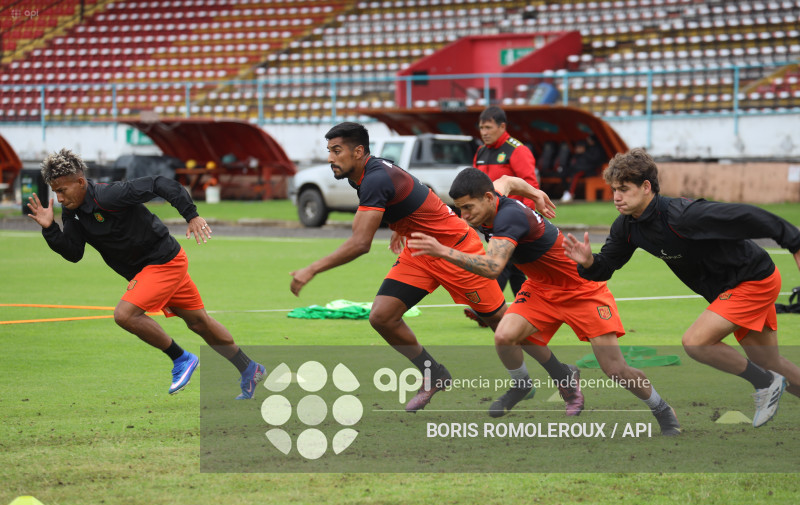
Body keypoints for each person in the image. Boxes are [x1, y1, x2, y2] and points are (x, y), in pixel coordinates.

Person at [289, 122, 561, 413]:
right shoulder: (372, 172)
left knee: (501, 322)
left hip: (457, 247)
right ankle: (434, 374)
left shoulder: (374, 178)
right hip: (420, 250)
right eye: (329, 151)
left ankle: (558, 374)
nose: (330, 157)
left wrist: (312, 269)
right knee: (382, 316)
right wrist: (402, 222)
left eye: (336, 150)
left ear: (358, 152)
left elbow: (359, 244)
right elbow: (417, 190)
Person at [407, 168, 681, 435]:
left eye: (468, 208)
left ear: (488, 199)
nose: (465, 217)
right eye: (460, 210)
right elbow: (507, 180)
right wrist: (536, 193)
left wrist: (442, 251)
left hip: (582, 289)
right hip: (540, 288)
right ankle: (522, 385)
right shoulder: (494, 195)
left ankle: (661, 408)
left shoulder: (509, 219)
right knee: (504, 335)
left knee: (615, 369)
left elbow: (492, 267)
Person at [563, 147, 800, 428]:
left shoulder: (683, 215)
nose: (616, 197)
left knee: (696, 342)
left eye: (624, 189)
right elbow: (605, 269)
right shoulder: (627, 226)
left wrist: (794, 242)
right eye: (614, 189)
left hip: (753, 279)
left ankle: (765, 383)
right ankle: (770, 377)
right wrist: (588, 262)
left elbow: (747, 216)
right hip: (729, 289)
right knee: (770, 360)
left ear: (646, 186)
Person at [28, 149, 265, 399]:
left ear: (80, 182)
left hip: (164, 262)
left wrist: (191, 215)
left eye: (62, 190)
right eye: (55, 192)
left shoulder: (109, 195)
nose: (59, 198)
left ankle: (181, 359)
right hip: (154, 268)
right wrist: (51, 229)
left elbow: (159, 183)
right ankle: (250, 368)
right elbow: (74, 252)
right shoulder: (72, 212)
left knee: (124, 315)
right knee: (199, 323)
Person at [465, 105, 539, 325]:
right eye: (481, 128)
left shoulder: (517, 150)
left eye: (488, 127)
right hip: (491, 222)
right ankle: (528, 310)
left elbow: (530, 185)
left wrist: (527, 220)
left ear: (502, 127)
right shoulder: (481, 152)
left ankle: (486, 310)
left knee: (501, 264)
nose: (484, 132)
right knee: (517, 270)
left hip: (513, 222)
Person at [558, 135, 607, 203]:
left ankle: (570, 194)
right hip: (578, 167)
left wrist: (584, 152)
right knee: (563, 172)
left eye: (589, 140)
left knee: (575, 175)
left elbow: (595, 161)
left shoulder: (597, 149)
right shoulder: (586, 148)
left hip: (589, 170)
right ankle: (567, 191)